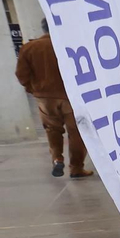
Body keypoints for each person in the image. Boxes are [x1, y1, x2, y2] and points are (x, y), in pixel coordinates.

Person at [14, 23, 95, 178]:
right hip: (71, 97)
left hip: (45, 98)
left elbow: (21, 74)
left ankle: (57, 158)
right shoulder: (71, 47)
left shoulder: (30, 47)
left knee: (52, 129)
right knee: (76, 132)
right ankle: (76, 168)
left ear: (44, 28)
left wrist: (33, 90)